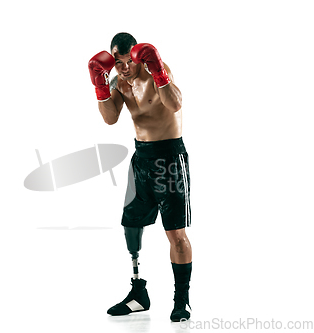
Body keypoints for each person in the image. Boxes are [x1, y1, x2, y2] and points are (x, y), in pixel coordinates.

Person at [88, 32, 192, 322]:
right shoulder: (117, 80)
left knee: (176, 232)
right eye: (116, 63)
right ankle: (138, 294)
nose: (122, 68)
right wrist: (99, 85)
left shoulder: (156, 70)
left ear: (136, 55)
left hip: (170, 157)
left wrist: (158, 70)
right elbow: (110, 119)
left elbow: (175, 104)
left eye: (126, 61)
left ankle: (182, 301)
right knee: (131, 225)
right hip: (141, 159)